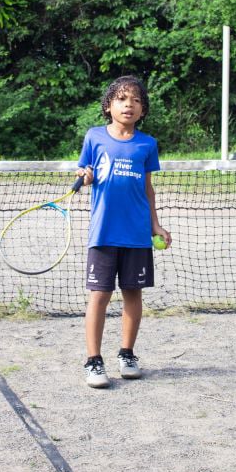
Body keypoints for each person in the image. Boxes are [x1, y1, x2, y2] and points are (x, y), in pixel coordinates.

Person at [75, 75, 171, 389]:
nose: (128, 105)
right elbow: (85, 172)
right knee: (99, 296)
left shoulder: (147, 144)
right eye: (121, 99)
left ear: (143, 110)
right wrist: (85, 176)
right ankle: (93, 360)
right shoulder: (94, 137)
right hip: (103, 233)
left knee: (133, 294)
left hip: (136, 234)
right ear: (108, 106)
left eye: (135, 100)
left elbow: (148, 190)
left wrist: (155, 225)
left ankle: (127, 354)